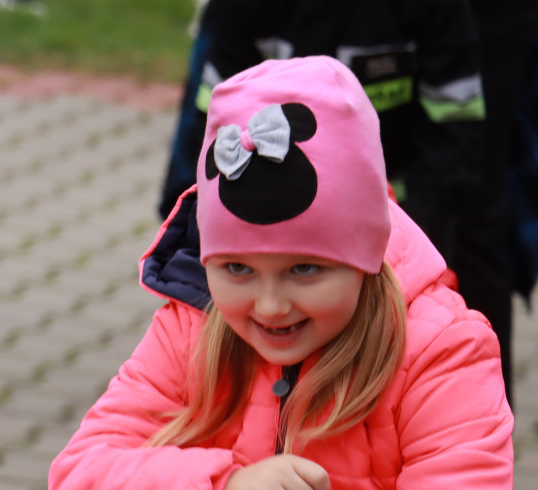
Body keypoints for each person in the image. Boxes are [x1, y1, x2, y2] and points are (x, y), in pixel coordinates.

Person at [48, 56, 530, 490]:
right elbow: (80, 484)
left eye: (305, 269)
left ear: (363, 252)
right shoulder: (193, 328)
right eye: (237, 270)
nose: (270, 307)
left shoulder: (442, 349)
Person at [154, 1, 530, 403]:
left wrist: (389, 240)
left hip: (411, 200)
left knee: (478, 235)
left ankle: (481, 408)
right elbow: (209, 134)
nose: (272, 305)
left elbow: (456, 143)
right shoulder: (243, 11)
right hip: (276, 198)